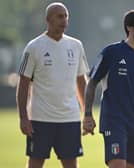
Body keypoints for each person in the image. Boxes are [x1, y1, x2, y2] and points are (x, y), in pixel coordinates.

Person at [83, 9, 134, 168]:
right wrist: (88, 114)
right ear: (129, 27)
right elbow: (92, 83)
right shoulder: (111, 52)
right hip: (114, 122)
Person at [16, 2, 89, 168]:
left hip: (70, 118)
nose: (64, 20)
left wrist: (87, 113)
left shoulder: (76, 46)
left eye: (66, 16)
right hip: (40, 119)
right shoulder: (34, 47)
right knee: (35, 162)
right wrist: (23, 117)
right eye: (59, 16)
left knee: (71, 164)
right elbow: (23, 84)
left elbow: (81, 81)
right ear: (48, 19)